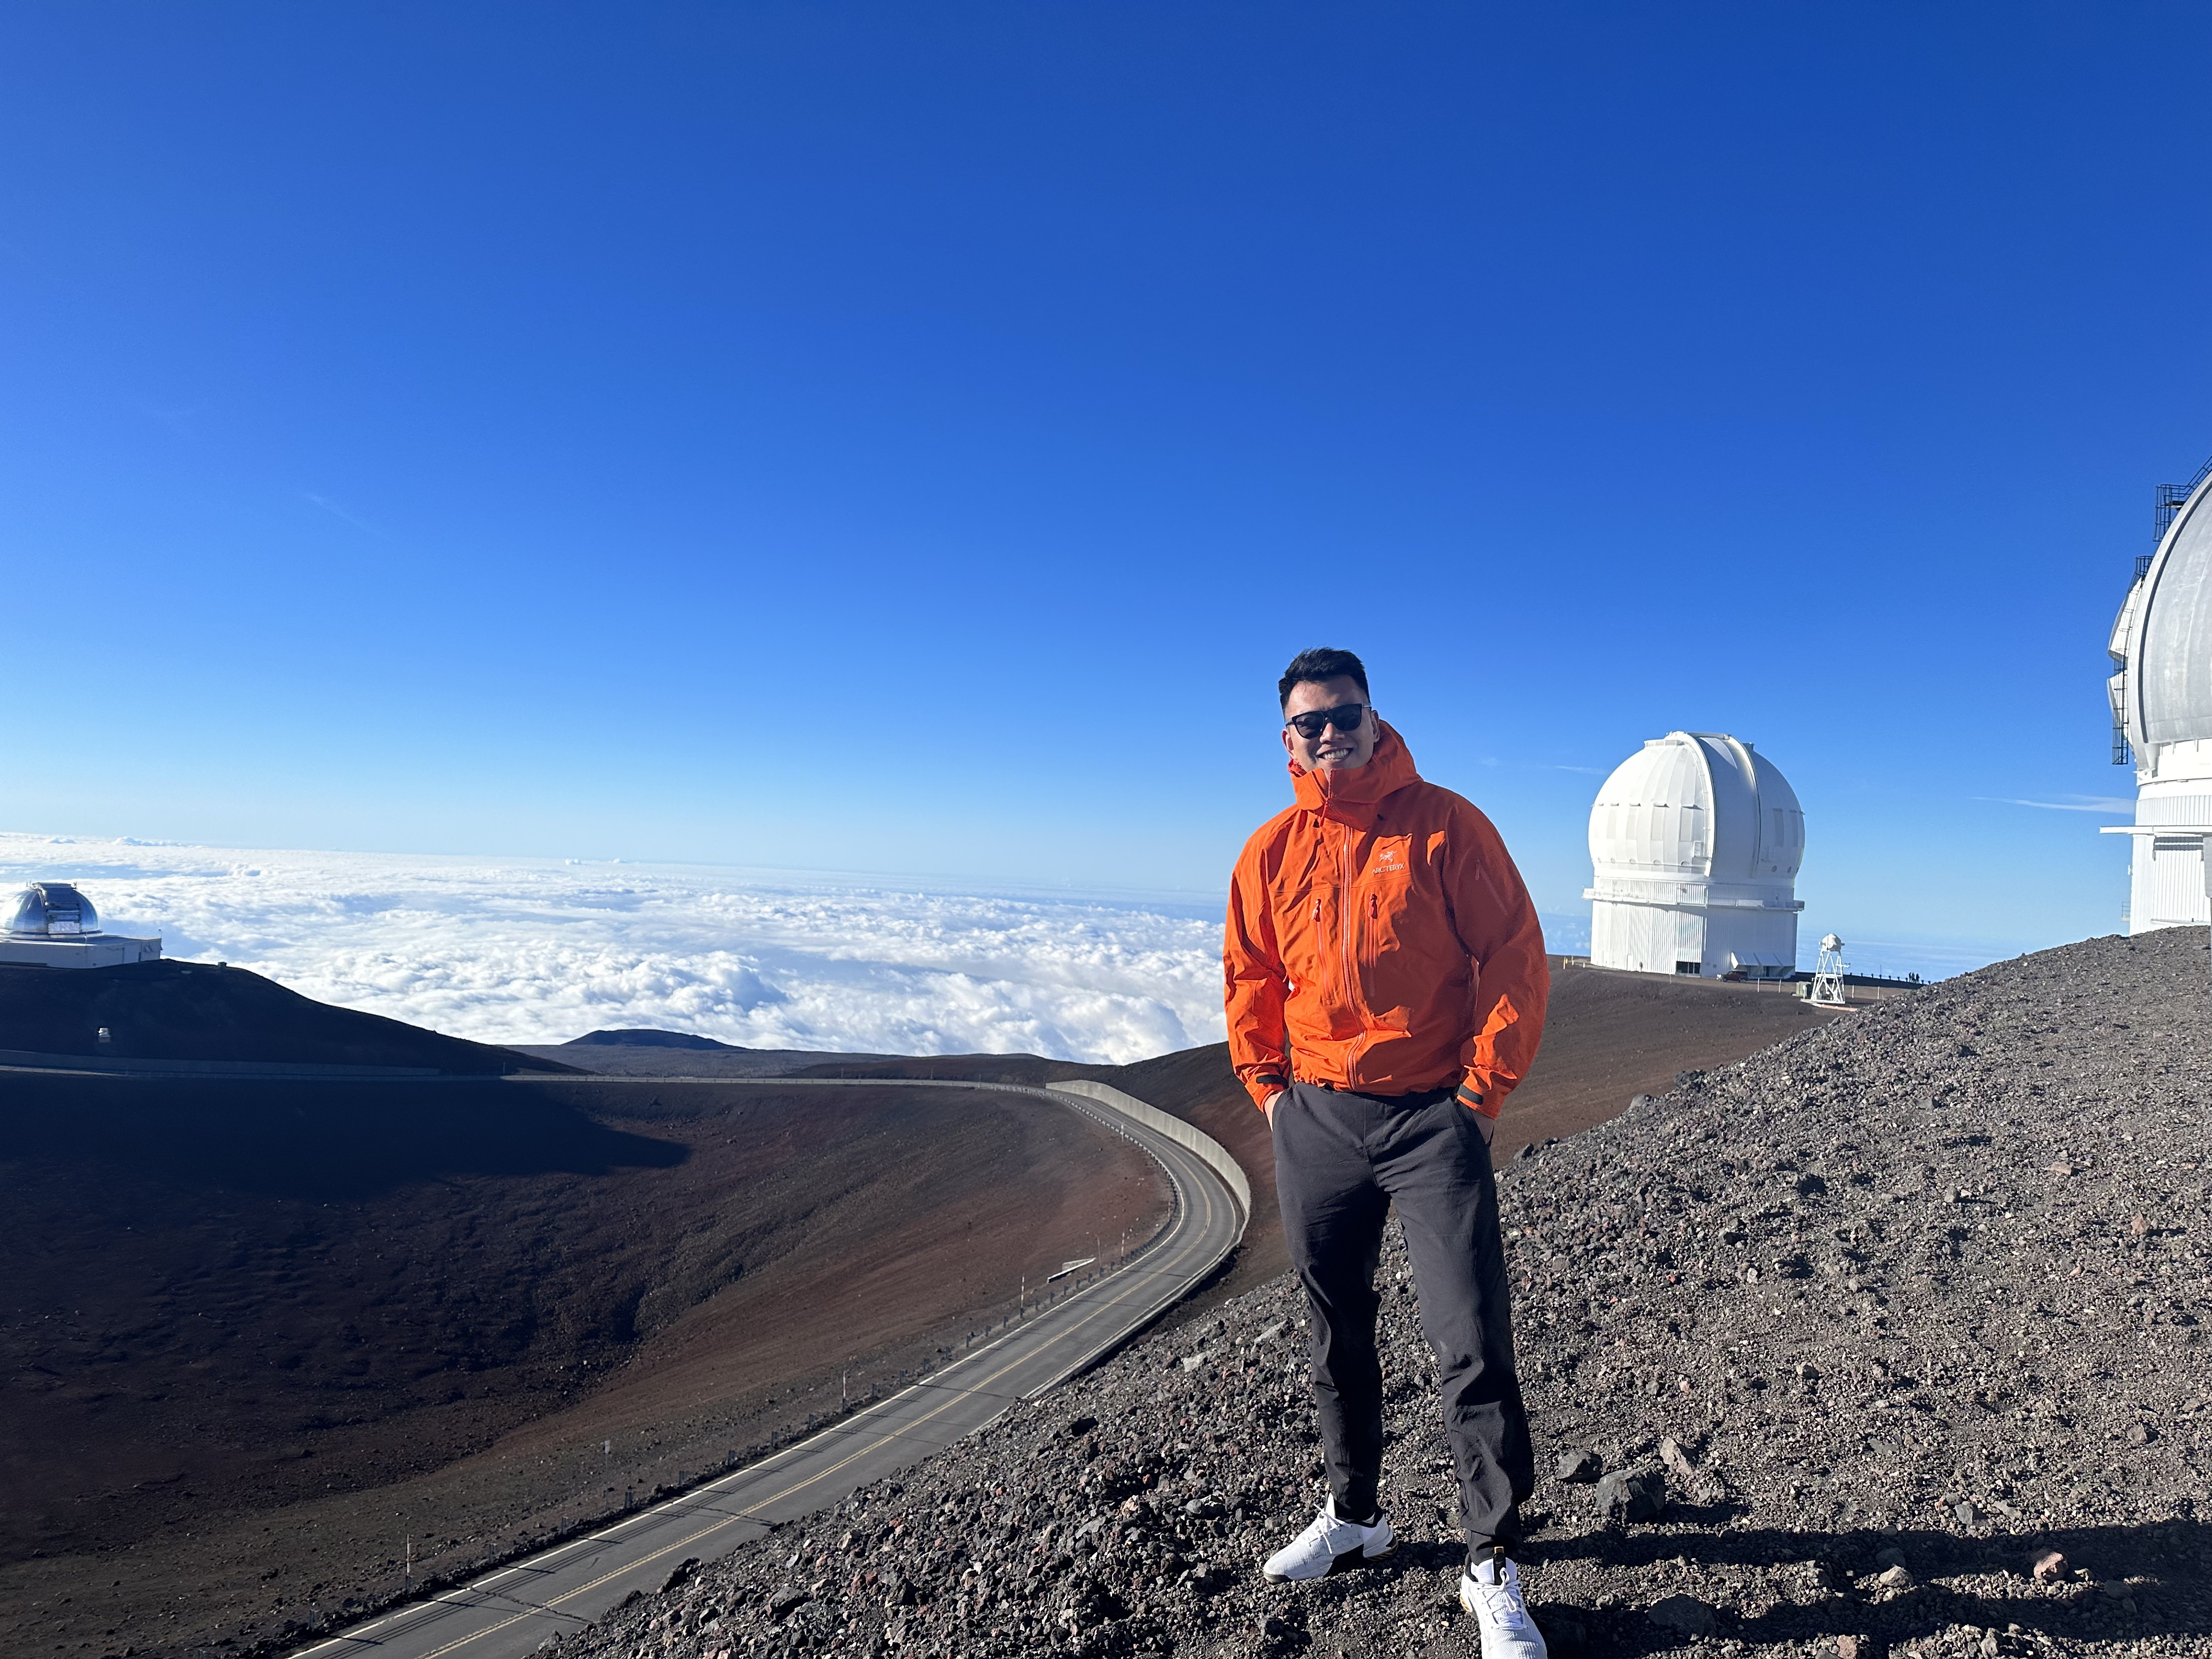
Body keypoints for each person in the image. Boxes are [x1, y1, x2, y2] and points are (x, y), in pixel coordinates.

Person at [1224, 646, 1550, 1657]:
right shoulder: (1271, 848)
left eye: (1345, 715)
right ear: (1286, 737)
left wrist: (1477, 1096)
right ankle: (1357, 1514)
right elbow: (1250, 975)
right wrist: (1271, 1093)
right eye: (1310, 722)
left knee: (1469, 1336)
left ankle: (1490, 1559)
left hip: (1431, 1122)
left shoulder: (1448, 826)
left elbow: (1514, 957)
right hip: (1317, 1116)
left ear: (1375, 717)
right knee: (1335, 1328)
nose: (1330, 733)